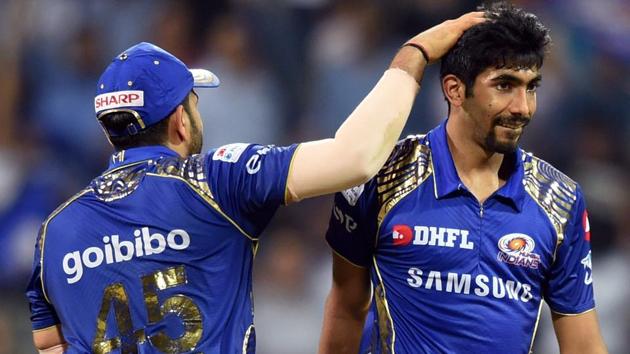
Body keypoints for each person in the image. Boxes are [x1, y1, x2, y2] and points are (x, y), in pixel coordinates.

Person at [25, 12, 485, 354]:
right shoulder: (216, 180)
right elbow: (356, 158)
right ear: (180, 122)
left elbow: (49, 345)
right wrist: (414, 56)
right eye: (193, 103)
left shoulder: (55, 232)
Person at [320, 3, 608, 354]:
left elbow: (583, 343)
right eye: (505, 85)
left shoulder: (560, 199)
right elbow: (347, 308)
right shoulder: (382, 177)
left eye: (531, 87)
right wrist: (414, 52)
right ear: (455, 90)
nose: (523, 107)